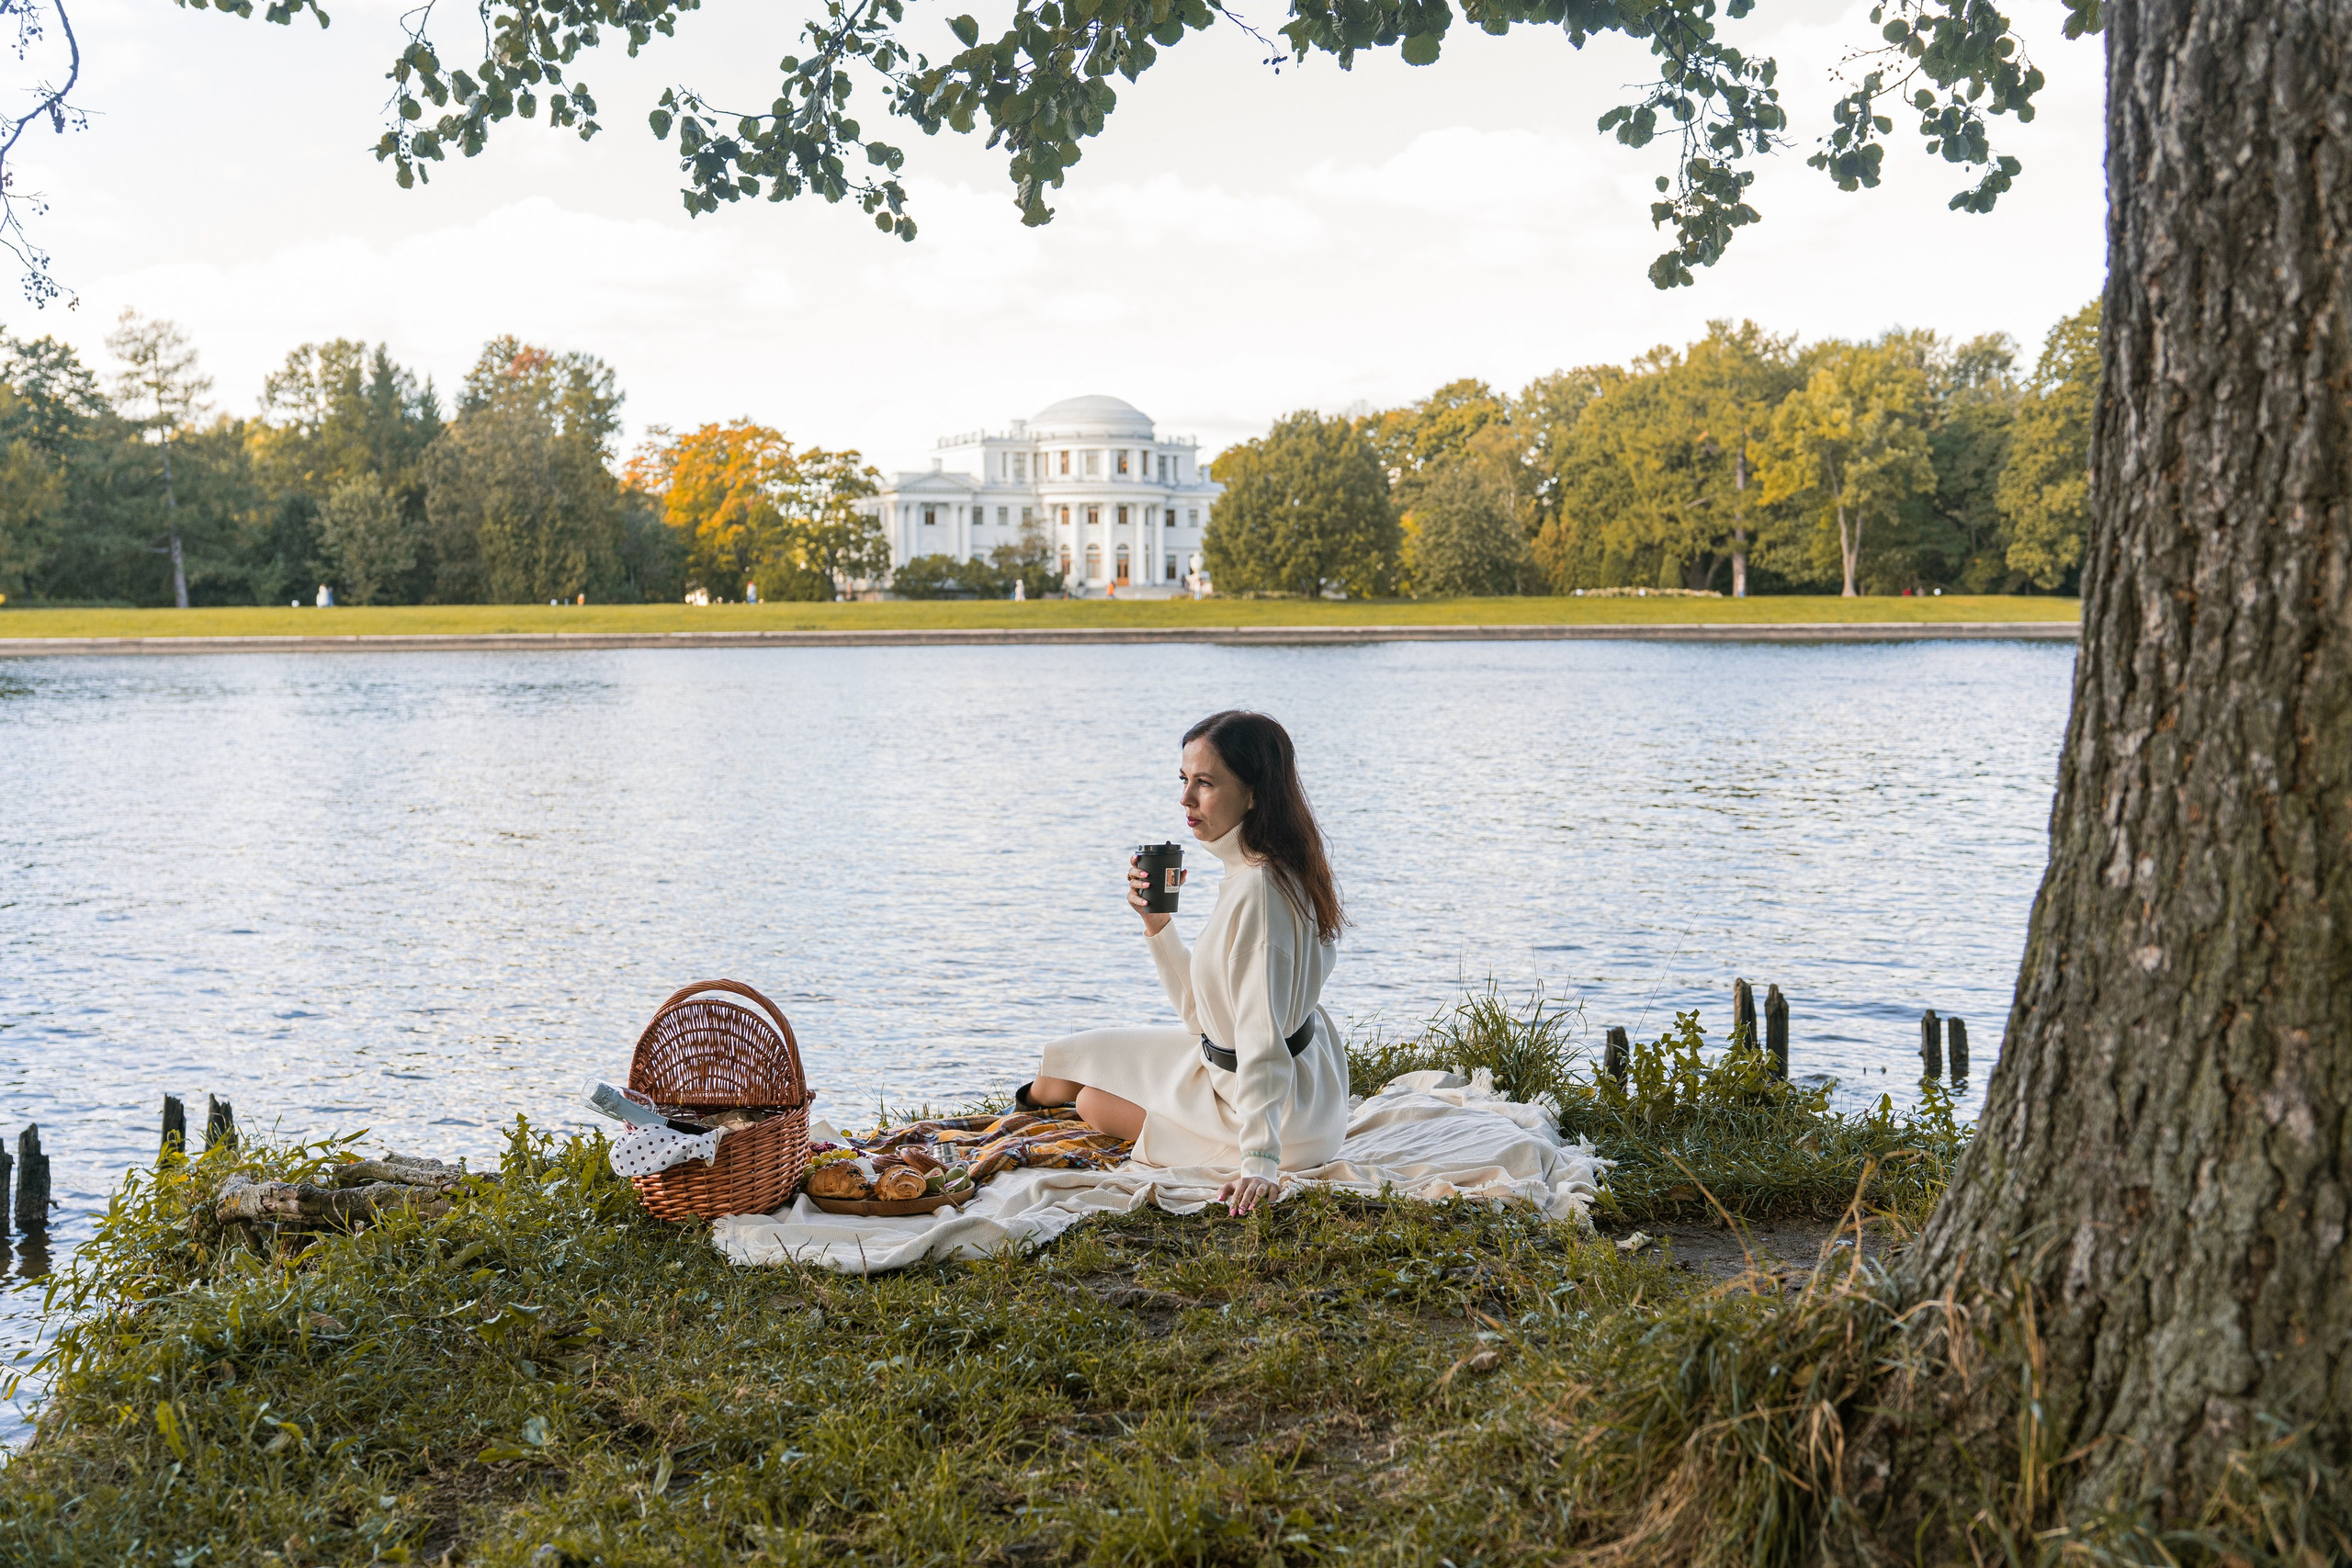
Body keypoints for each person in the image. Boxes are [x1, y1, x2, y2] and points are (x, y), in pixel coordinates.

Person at [1018, 710, 1349, 1216]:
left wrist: (1259, 1162)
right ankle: (1025, 1111)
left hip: (1276, 1118)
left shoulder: (1259, 895)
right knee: (1062, 1062)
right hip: (1279, 1081)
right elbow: (1203, 1016)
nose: (1186, 800)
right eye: (1184, 781)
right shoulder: (1268, 866)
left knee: (1091, 1102)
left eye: (1205, 784)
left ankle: (1021, 1126)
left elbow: (1260, 1041)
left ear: (1255, 792)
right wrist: (1157, 924)